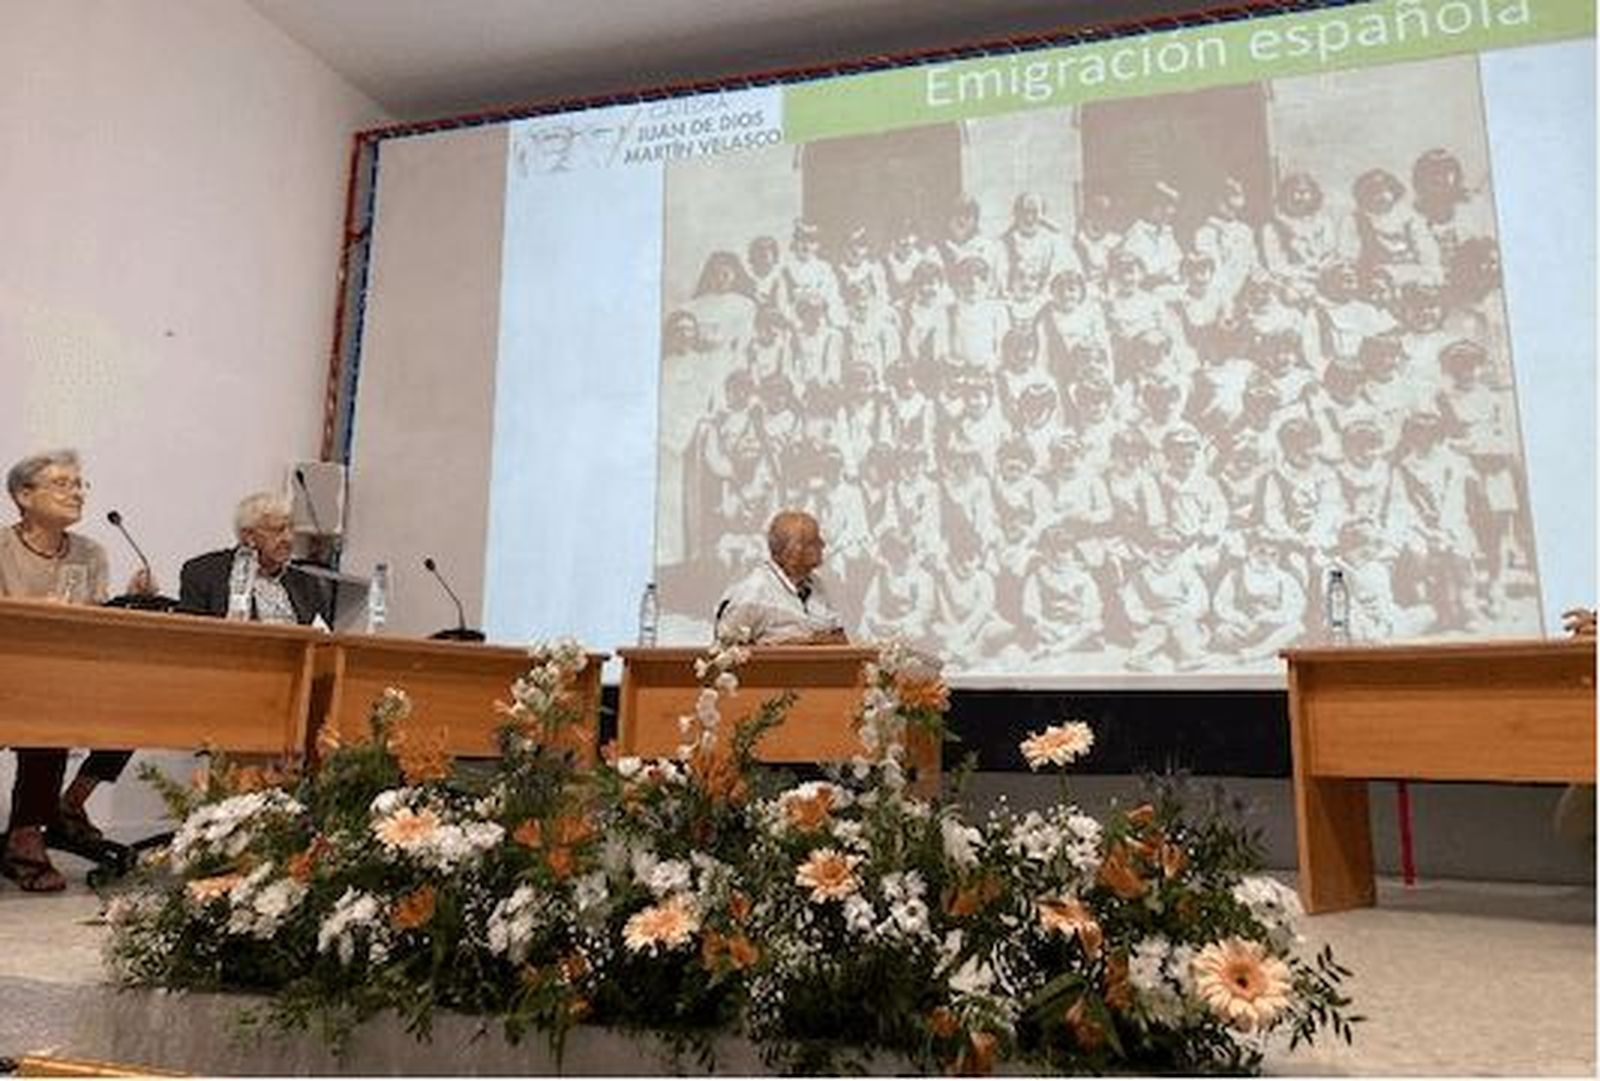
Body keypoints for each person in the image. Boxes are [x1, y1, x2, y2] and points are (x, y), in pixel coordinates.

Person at [0, 450, 148, 891]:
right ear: (23, 495)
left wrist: (129, 599)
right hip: (9, 671)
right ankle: (26, 835)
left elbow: (94, 622)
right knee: (48, 711)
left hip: (63, 674)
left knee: (135, 704)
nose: (76, 493)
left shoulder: (91, 552)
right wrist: (30, 610)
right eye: (62, 484)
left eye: (80, 484)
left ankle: (69, 804)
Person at [179, 492, 330, 625]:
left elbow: (322, 638)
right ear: (249, 536)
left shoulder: (306, 584)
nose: (288, 538)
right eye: (277, 530)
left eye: (291, 529)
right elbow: (191, 638)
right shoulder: (204, 574)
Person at [714, 510, 846, 645]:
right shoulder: (754, 591)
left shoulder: (816, 585)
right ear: (794, 549)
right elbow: (725, 652)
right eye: (814, 541)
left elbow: (838, 635)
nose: (823, 545)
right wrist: (795, 644)